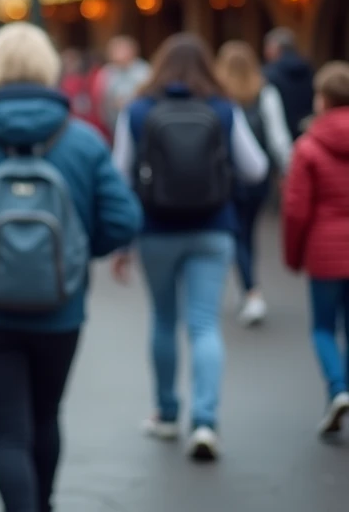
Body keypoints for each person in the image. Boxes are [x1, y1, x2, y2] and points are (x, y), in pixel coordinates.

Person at [0, 22, 142, 512]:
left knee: (6, 431)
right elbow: (124, 218)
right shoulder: (81, 138)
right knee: (46, 416)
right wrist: (80, 253)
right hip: (60, 307)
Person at [111, 33, 268, 461]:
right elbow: (256, 169)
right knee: (203, 325)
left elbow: (119, 175)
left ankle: (165, 414)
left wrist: (121, 243)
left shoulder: (138, 110)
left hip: (155, 229)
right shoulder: (222, 108)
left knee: (164, 319)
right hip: (213, 227)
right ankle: (204, 421)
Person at [283, 61, 349, 437]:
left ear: (323, 100)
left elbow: (295, 209)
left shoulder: (308, 146)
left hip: (324, 251)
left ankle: (337, 388)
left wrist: (294, 254)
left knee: (324, 327)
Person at [215, 40, 293, 326]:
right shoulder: (265, 92)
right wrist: (286, 170)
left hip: (227, 176)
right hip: (258, 176)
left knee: (237, 235)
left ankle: (251, 291)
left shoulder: (218, 96)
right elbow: (278, 138)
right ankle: (249, 287)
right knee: (247, 233)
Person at [263, 27, 315, 140]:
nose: (266, 52)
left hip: (283, 137)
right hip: (306, 133)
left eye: (268, 48)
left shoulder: (269, 75)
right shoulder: (309, 69)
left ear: (276, 48)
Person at [97, 35, 151, 138]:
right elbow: (101, 101)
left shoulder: (144, 71)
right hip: (113, 125)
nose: (118, 54)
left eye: (121, 50)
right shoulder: (106, 73)